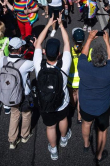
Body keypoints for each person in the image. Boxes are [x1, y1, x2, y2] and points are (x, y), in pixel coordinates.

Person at [33, 14, 72, 161]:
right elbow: (67, 42)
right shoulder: (64, 64)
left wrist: (49, 24)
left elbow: (38, 44)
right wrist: (61, 25)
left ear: (44, 53)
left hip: (45, 103)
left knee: (50, 127)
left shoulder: (39, 65)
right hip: (62, 101)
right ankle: (63, 138)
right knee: (63, 119)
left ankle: (54, 150)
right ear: (59, 54)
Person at [78, 30, 110, 163]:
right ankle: (99, 155)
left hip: (86, 105)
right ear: (104, 59)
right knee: (102, 131)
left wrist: (89, 39)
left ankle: (86, 145)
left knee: (86, 124)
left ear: (92, 58)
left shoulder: (83, 67)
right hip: (103, 108)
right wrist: (107, 41)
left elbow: (83, 55)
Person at [1, 37, 34, 149]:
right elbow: (37, 65)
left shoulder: (3, 60)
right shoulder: (26, 63)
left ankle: (12, 140)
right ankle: (24, 136)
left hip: (10, 94)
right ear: (20, 48)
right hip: (24, 94)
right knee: (26, 114)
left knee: (14, 115)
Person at [67, 28, 92, 124]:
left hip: (71, 80)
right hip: (82, 80)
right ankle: (79, 117)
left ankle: (72, 105)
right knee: (80, 98)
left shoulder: (69, 51)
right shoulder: (89, 51)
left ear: (73, 39)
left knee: (73, 95)